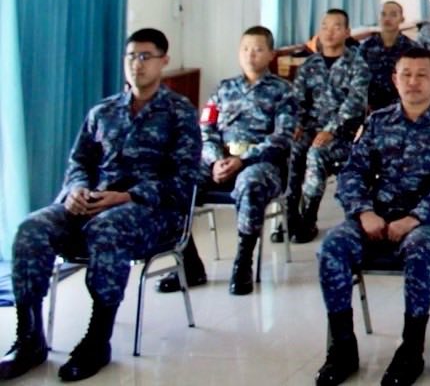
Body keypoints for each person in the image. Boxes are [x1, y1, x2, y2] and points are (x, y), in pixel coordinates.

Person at [1, 29, 201, 382]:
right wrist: (77, 189)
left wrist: (128, 196)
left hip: (151, 211)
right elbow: (79, 162)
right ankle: (29, 338)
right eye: (131, 57)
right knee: (31, 229)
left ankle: (97, 340)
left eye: (145, 57)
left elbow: (185, 179)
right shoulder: (103, 111)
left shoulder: (179, 113)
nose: (137, 65)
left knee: (108, 229)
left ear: (163, 61)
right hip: (92, 203)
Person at [314, 48, 430, 386]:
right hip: (376, 217)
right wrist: (364, 212)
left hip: (429, 222)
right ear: (394, 80)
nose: (413, 82)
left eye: (421, 75)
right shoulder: (377, 122)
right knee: (332, 248)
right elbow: (352, 172)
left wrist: (414, 218)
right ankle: (342, 348)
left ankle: (411, 350)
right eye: (406, 75)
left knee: (420, 249)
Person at [160, 25, 298, 297]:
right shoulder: (223, 89)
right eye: (245, 49)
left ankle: (243, 263)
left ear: (271, 54)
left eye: (258, 49)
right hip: (220, 159)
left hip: (261, 163)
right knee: (172, 184)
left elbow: (283, 137)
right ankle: (188, 263)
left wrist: (242, 161)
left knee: (250, 182)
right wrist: (215, 160)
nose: (250, 55)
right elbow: (206, 129)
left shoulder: (283, 91)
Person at [286, 8, 371, 244]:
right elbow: (297, 100)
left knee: (316, 153)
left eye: (336, 27)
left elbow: (354, 104)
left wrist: (330, 130)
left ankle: (308, 217)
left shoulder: (358, 65)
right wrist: (296, 124)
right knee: (291, 150)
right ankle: (290, 214)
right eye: (324, 26)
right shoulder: (309, 65)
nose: (329, 32)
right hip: (311, 130)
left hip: (344, 134)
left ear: (347, 32)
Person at [360, 0, 414, 113]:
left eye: (393, 15)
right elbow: (358, 77)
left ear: (402, 19)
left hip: (402, 107)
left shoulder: (411, 48)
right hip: (371, 107)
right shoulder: (367, 46)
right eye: (383, 14)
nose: (387, 19)